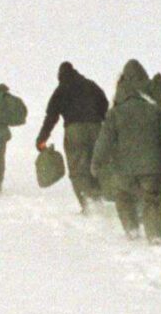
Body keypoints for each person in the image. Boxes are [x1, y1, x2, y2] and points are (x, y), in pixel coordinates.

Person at [92, 60, 161, 237]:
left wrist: (96, 163)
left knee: (124, 196)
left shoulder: (115, 112)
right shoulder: (157, 110)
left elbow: (104, 140)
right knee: (152, 199)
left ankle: (132, 231)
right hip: (154, 167)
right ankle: (154, 235)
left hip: (124, 168)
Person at [36, 62, 110, 212]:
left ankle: (88, 206)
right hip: (97, 129)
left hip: (75, 130)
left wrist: (42, 138)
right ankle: (99, 200)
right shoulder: (91, 85)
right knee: (97, 165)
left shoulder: (61, 89)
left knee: (78, 169)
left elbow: (51, 116)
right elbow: (105, 104)